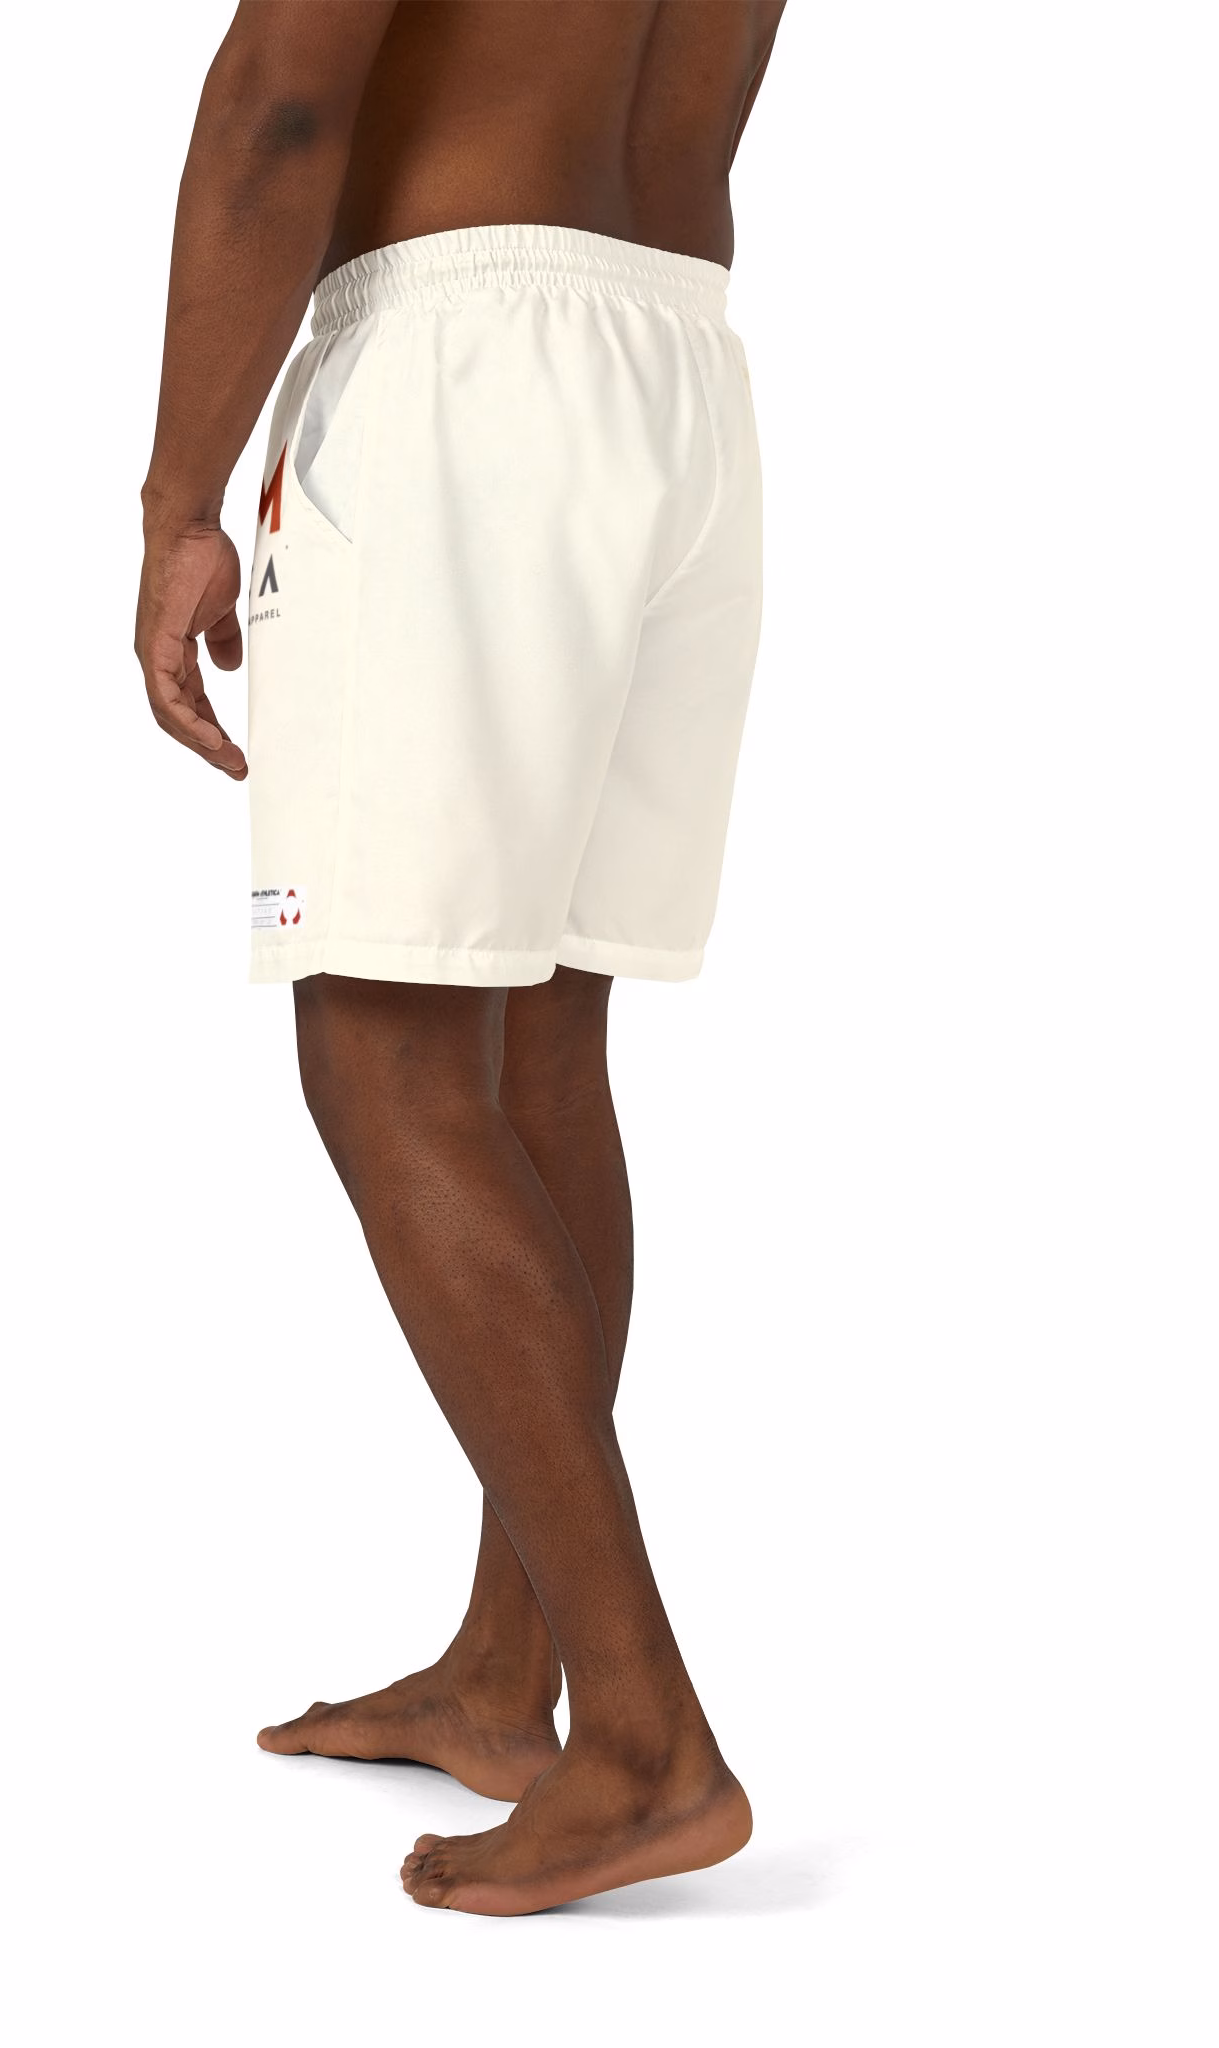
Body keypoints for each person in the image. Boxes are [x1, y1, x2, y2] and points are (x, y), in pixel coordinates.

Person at [134, 0, 784, 1915]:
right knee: (541, 1056)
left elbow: (281, 96)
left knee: (386, 1065)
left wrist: (177, 501)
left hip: (462, 369)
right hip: (676, 360)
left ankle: (644, 1738)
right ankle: (513, 1669)